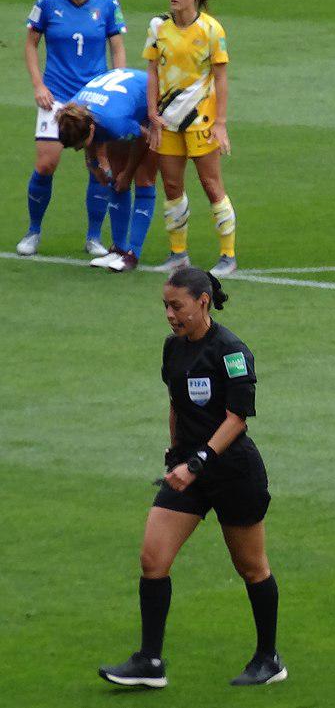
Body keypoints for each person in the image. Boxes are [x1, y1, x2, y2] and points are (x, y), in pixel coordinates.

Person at [98, 267, 286, 688]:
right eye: (165, 306)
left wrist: (199, 459)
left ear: (202, 302)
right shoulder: (173, 348)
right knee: (153, 559)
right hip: (186, 471)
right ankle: (150, 662)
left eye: (176, 306)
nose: (169, 314)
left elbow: (237, 418)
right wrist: (174, 453)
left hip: (233, 472)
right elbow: (176, 405)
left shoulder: (232, 351)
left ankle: (268, 658)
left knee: (251, 567)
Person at [18, 0, 127, 258]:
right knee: (46, 163)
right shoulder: (47, 2)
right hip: (56, 96)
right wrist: (38, 85)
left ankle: (93, 236)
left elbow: (117, 47)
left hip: (94, 97)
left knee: (98, 164)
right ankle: (33, 231)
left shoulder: (107, 4)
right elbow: (30, 45)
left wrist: (114, 85)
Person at [143, 0, 237, 278]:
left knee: (211, 185)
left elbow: (221, 78)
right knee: (171, 185)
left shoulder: (211, 30)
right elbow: (152, 72)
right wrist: (152, 115)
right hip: (168, 120)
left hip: (201, 120)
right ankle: (178, 254)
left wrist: (221, 122)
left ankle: (228, 254)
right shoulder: (158, 28)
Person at [56, 68, 157, 272]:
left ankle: (132, 254)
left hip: (154, 97)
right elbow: (89, 145)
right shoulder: (73, 113)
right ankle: (119, 249)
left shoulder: (114, 123)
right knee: (116, 181)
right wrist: (95, 167)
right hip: (121, 101)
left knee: (143, 177)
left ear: (92, 129)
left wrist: (128, 173)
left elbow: (144, 138)